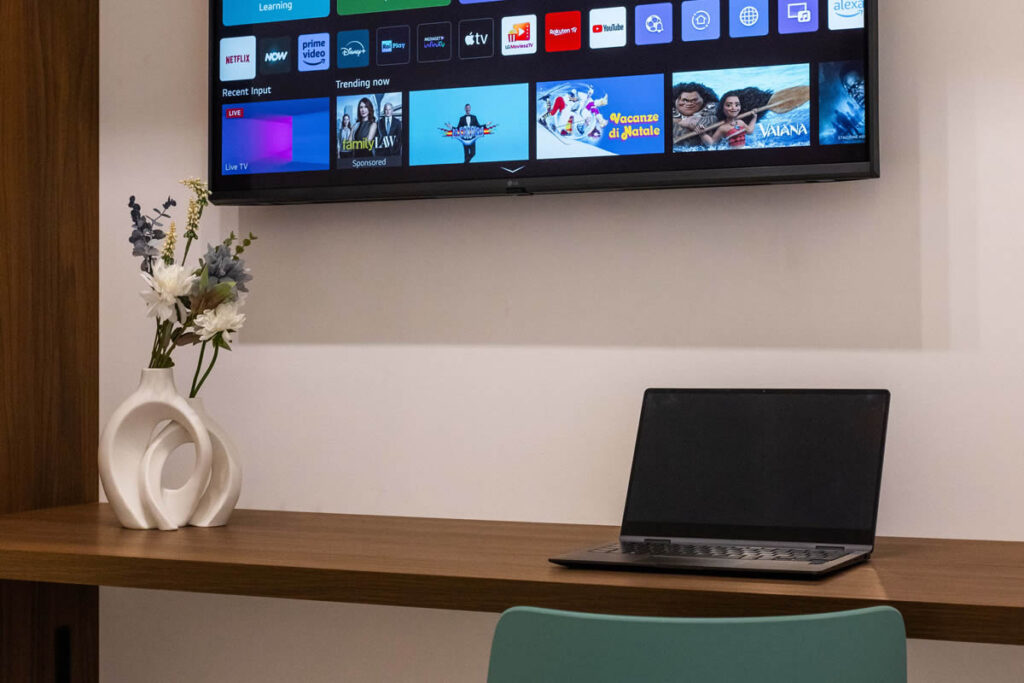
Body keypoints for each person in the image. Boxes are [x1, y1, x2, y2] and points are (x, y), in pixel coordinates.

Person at [671, 82, 719, 148]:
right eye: (685, 100)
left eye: (694, 100)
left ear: (703, 99)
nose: (689, 104)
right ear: (675, 100)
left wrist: (690, 122)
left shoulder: (713, 108)